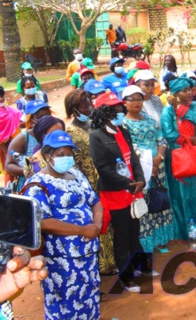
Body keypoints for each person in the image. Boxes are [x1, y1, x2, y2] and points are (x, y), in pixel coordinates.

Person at [24, 130, 102, 319]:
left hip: (88, 252)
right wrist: (83, 229)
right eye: (61, 155)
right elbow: (42, 221)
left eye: (69, 154)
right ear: (47, 156)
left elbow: (95, 201)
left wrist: (97, 225)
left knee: (89, 295)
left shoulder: (76, 175)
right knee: (65, 302)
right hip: (62, 258)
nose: (66, 158)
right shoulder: (37, 184)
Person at [89, 92, 149, 292]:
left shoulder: (123, 130)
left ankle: (141, 266)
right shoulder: (96, 136)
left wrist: (140, 179)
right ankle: (127, 276)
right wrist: (129, 183)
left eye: (119, 109)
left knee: (135, 230)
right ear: (104, 113)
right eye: (114, 110)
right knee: (122, 235)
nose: (119, 112)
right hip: (116, 193)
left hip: (133, 189)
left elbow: (133, 158)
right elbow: (103, 168)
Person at [64, 89, 117, 277]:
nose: (88, 107)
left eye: (89, 103)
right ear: (74, 109)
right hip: (87, 182)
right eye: (83, 105)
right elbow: (74, 162)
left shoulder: (93, 126)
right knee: (96, 220)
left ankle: (111, 260)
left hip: (103, 178)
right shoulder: (71, 131)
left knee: (107, 220)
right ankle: (102, 264)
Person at [122, 86, 175, 255]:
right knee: (145, 203)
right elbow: (129, 148)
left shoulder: (149, 119)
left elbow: (161, 139)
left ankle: (160, 239)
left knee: (159, 199)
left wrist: (158, 157)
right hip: (140, 171)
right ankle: (146, 242)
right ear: (125, 102)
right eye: (132, 99)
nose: (137, 102)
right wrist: (146, 164)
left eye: (139, 98)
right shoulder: (123, 124)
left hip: (157, 168)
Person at [160, 77, 196, 238]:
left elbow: (194, 118)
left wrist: (178, 106)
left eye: (189, 89)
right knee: (180, 195)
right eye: (184, 90)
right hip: (177, 156)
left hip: (194, 155)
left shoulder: (195, 106)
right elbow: (169, 133)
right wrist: (188, 141)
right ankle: (184, 232)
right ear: (175, 93)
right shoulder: (167, 111)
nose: (189, 93)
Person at [5, 100, 51, 192]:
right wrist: (31, 171)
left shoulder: (53, 134)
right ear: (31, 119)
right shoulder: (23, 138)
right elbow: (9, 166)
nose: (44, 119)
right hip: (29, 186)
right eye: (39, 117)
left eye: (47, 115)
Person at [0, 86, 21, 182]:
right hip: (3, 146)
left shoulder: (12, 112)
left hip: (14, 144)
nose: (0, 99)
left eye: (1, 95)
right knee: (8, 169)